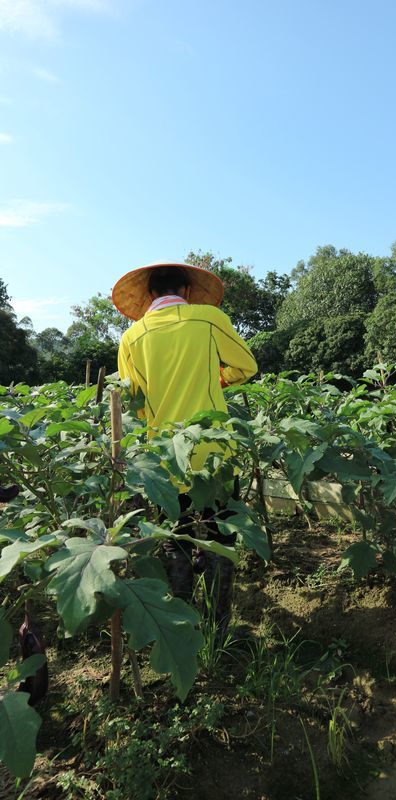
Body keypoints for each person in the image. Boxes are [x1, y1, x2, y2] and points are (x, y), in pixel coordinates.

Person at [112, 262, 258, 635]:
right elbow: (246, 366)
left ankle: (182, 625)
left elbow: (135, 402)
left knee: (173, 539)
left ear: (148, 296)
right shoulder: (209, 319)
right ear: (187, 292)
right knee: (221, 536)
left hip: (164, 460)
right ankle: (219, 628)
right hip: (214, 454)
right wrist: (214, 379)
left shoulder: (132, 337)